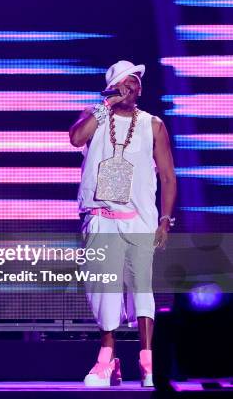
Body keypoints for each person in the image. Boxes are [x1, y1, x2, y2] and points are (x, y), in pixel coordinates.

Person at [69, 60, 177, 387]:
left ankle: (147, 361)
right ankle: (107, 360)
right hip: (100, 217)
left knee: (142, 288)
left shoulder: (153, 124)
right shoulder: (96, 115)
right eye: (126, 83)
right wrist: (108, 104)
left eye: (137, 84)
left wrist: (165, 219)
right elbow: (76, 138)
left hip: (139, 219)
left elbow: (168, 176)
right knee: (104, 290)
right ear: (114, 86)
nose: (133, 88)